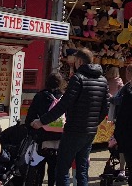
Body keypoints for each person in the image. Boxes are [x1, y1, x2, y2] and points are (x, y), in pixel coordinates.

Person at [31, 48, 109, 186]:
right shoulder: (103, 81)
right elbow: (105, 108)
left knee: (62, 169)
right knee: (82, 168)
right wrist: (93, 123)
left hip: (73, 130)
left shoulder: (77, 78)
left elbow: (63, 105)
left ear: (79, 61)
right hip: (90, 131)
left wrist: (42, 121)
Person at [24, 72, 65, 186]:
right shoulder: (64, 98)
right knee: (54, 169)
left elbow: (29, 118)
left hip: (42, 139)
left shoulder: (40, 96)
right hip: (59, 140)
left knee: (39, 168)